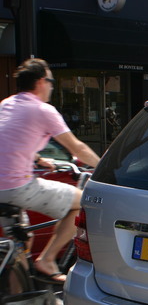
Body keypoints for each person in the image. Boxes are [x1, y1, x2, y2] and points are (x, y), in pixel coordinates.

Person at [0, 58, 100, 284]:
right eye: (51, 81)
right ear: (40, 82)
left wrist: (37, 158)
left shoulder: (6, 104)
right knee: (80, 203)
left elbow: (7, 140)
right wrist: (104, 168)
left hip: (1, 189)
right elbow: (76, 147)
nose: (52, 86)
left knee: (22, 239)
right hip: (17, 186)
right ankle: (46, 259)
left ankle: (20, 300)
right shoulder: (43, 110)